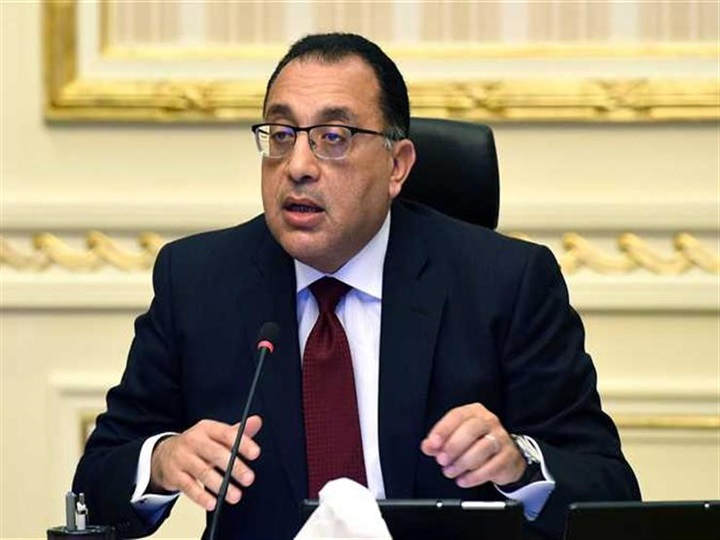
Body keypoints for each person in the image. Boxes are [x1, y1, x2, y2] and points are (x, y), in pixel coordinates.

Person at [73, 32, 640, 540]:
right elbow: (95, 485)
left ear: (397, 166)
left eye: (334, 137)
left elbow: (608, 491)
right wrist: (163, 460)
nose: (297, 164)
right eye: (281, 134)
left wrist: (518, 465)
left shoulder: (505, 283)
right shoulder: (199, 280)